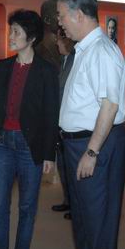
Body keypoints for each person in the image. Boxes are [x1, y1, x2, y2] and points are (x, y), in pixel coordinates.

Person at [54, 0, 125, 249]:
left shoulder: (102, 51)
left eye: (61, 16)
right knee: (84, 221)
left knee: (99, 223)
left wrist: (92, 152)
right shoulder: (83, 50)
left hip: (96, 144)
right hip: (77, 144)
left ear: (78, 14)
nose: (59, 23)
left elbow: (110, 105)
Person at [0, 9, 59, 249]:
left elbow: (51, 114)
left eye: (16, 32)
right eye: (11, 31)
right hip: (2, 143)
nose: (11, 36)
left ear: (31, 37)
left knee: (27, 206)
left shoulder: (46, 71)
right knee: (0, 205)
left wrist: (49, 153)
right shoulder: (4, 66)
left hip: (30, 146)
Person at [51, 30, 76, 219]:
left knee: (71, 166)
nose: (57, 44)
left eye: (59, 41)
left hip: (70, 122)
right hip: (59, 122)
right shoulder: (63, 61)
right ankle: (68, 200)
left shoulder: (76, 61)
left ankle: (76, 205)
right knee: (62, 164)